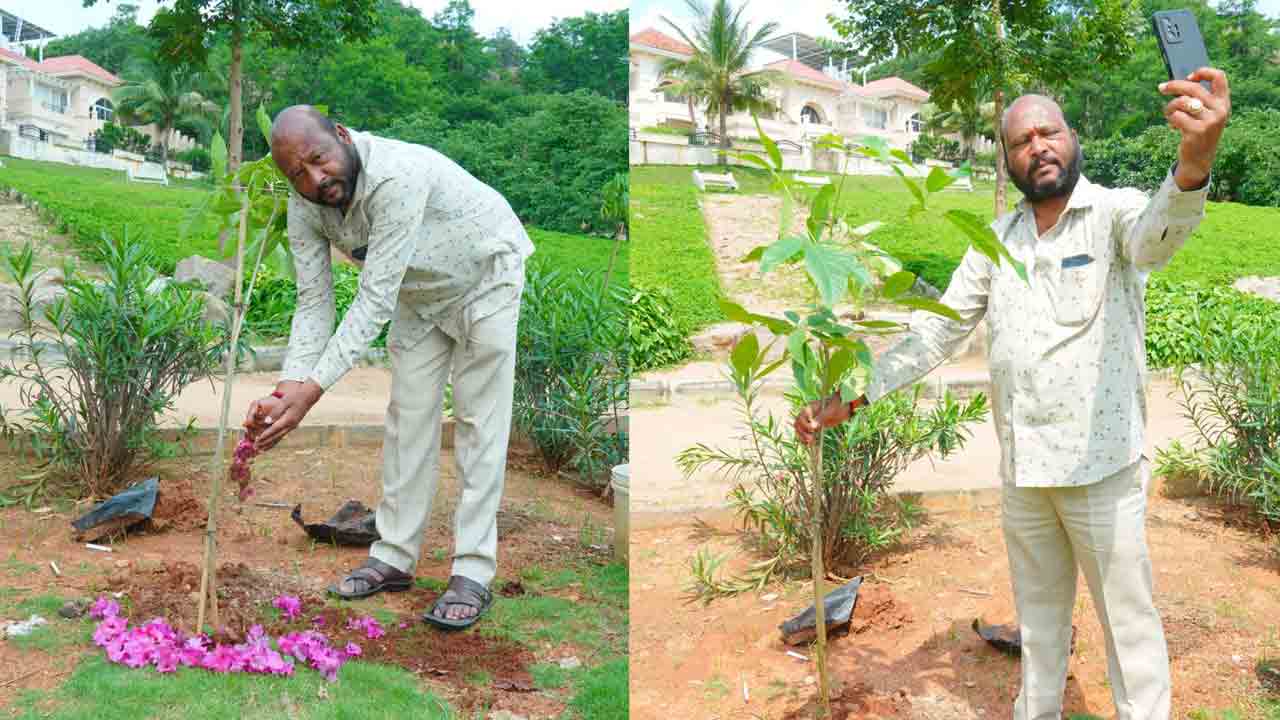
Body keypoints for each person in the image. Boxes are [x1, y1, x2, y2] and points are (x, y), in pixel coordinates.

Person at [795, 69, 1231, 719]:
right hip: (1026, 473)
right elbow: (937, 332)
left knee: (1129, 625)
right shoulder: (994, 244)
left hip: (1102, 470)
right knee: (1041, 623)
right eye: (1022, 139)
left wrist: (1195, 159)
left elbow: (1158, 238)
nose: (1038, 145)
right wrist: (851, 395)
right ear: (1008, 158)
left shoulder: (1113, 215)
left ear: (1072, 138)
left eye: (1048, 131)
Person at [242, 105, 533, 630]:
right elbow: (313, 301)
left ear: (342, 135)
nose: (314, 179)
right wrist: (287, 390)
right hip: (419, 296)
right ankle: (394, 556)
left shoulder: (396, 176)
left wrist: (314, 391)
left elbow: (373, 299)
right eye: (297, 174)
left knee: (478, 425)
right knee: (407, 420)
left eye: (318, 159)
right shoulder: (304, 205)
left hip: (485, 276)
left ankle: (472, 571)